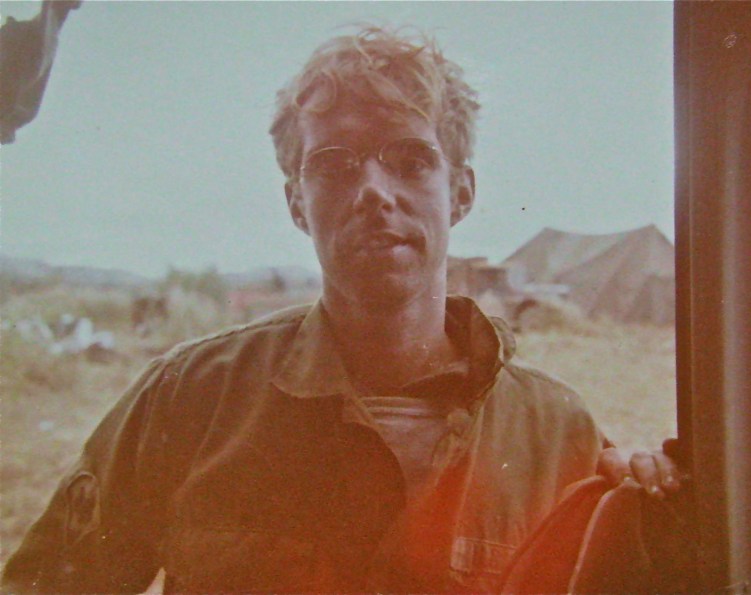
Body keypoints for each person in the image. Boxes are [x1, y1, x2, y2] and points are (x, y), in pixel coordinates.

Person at [2, 26, 682, 593]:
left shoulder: (557, 432)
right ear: (297, 202)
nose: (374, 192)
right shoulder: (190, 398)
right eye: (334, 165)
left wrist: (644, 494)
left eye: (411, 160)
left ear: (462, 192)